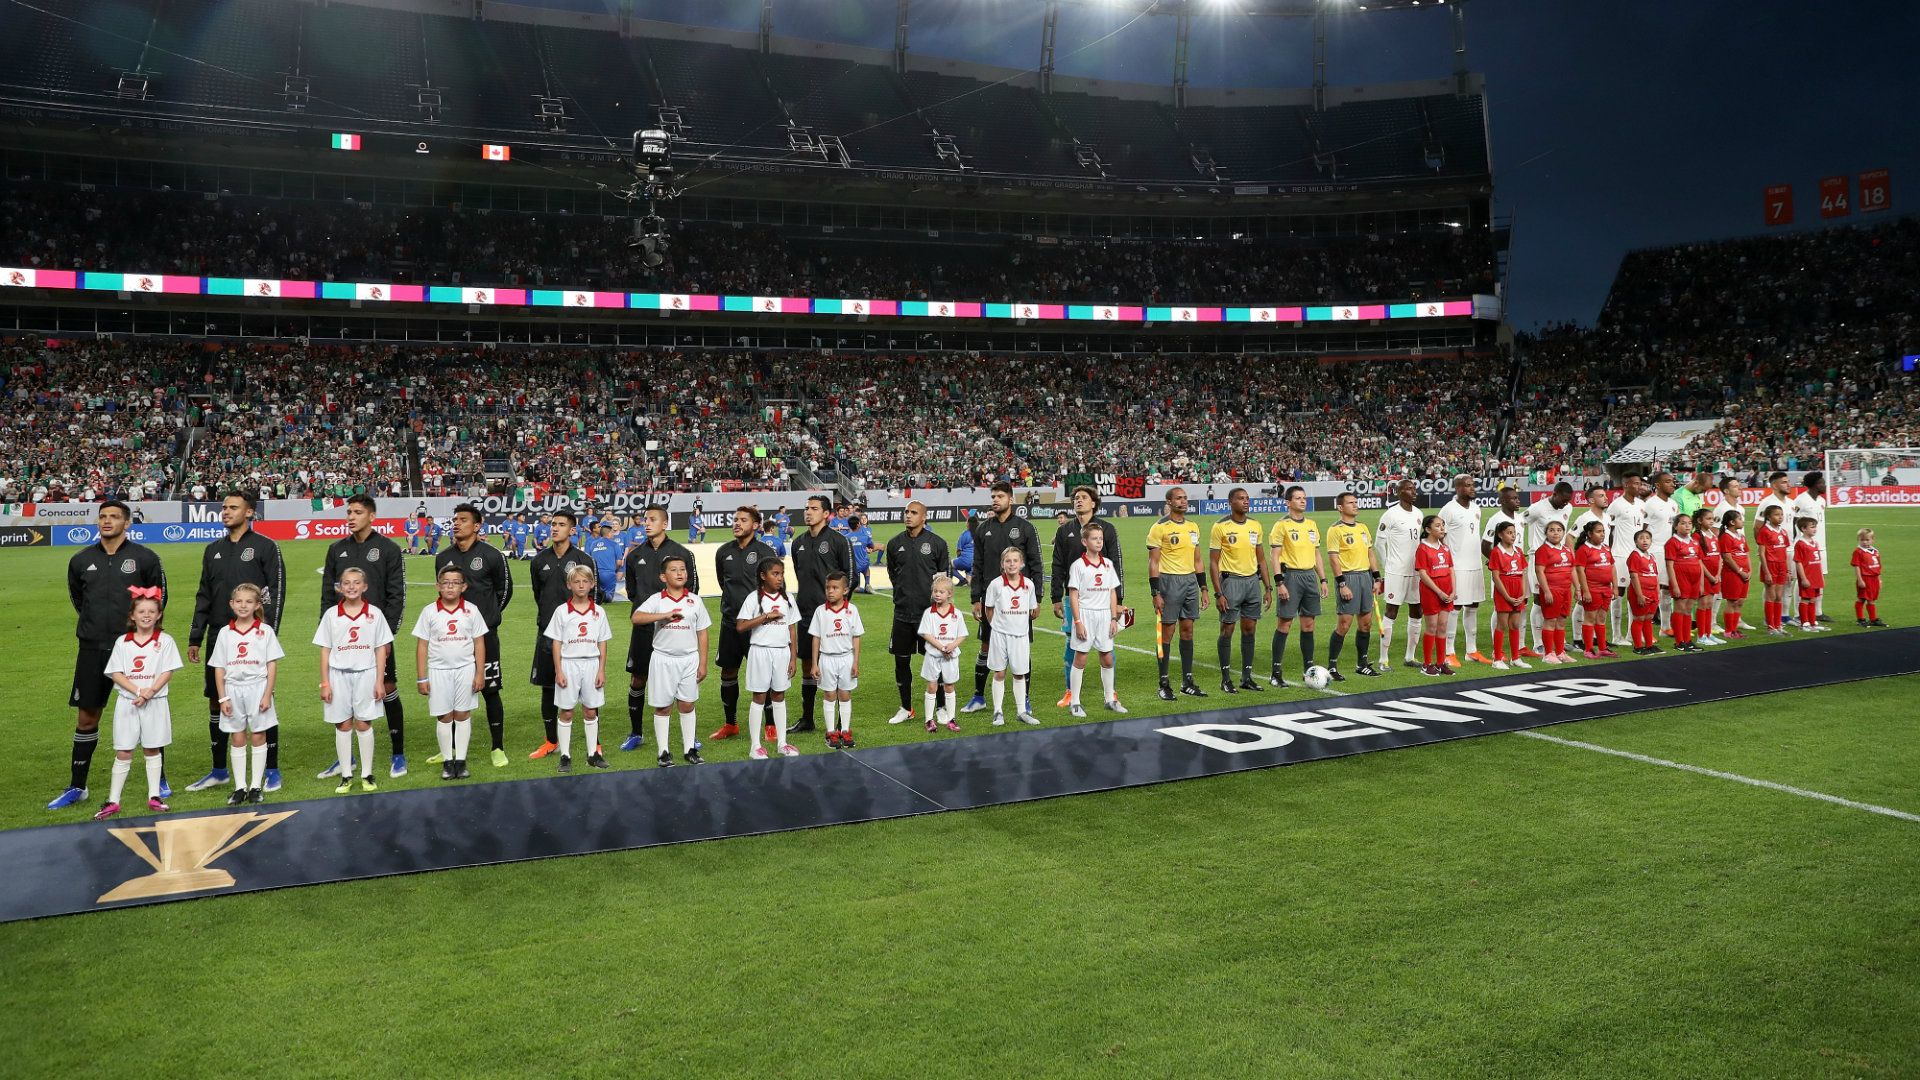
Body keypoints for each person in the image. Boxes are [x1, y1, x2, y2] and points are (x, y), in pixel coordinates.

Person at [50, 500, 169, 812]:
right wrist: (95, 624)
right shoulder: (80, 560)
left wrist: (141, 636)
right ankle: (78, 786)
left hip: (133, 649)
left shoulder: (145, 558)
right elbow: (79, 598)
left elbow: (159, 601)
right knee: (87, 716)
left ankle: (160, 782)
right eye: (102, 516)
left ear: (127, 523)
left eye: (114, 517)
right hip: (92, 647)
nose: (107, 521)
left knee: (145, 710)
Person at [177, 492, 286, 793]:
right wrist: (196, 635)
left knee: (263, 701)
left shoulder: (266, 547)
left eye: (233, 507)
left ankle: (272, 770)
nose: (225, 511)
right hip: (219, 636)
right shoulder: (213, 549)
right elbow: (204, 593)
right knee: (217, 699)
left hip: (255, 638)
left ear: (249, 512)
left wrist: (268, 634)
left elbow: (275, 592)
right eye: (224, 507)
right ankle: (219, 769)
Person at [317, 494, 408, 785]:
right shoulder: (336, 550)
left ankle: (398, 753)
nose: (351, 516)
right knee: (344, 696)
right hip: (343, 637)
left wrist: (386, 635)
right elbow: (327, 596)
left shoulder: (388, 549)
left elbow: (397, 596)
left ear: (372, 516)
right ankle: (348, 758)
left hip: (376, 634)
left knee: (387, 687)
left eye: (357, 512)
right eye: (349, 512)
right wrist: (328, 631)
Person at [431, 504, 513, 769]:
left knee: (490, 690)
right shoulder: (443, 557)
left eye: (463, 520)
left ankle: (497, 747)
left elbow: (505, 591)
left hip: (485, 636)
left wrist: (484, 619)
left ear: (477, 526)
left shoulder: (492, 555)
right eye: (455, 519)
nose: (457, 524)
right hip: (451, 639)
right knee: (450, 691)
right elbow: (444, 594)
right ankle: (449, 748)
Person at [93, 593, 182, 819]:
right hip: (128, 703)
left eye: (152, 612)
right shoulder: (122, 642)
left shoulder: (166, 641)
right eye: (141, 612)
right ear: (132, 615)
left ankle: (154, 796)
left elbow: (168, 671)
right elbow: (116, 672)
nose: (146, 616)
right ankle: (113, 800)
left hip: (156, 702)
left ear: (159, 614)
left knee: (152, 747)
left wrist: (150, 692)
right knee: (124, 750)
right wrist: (139, 691)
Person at [622, 506, 699, 751]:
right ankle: (636, 733)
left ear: (665, 524)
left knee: (678, 681)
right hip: (645, 629)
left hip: (674, 629)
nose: (647, 523)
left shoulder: (681, 553)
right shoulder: (634, 556)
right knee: (638, 678)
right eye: (645, 519)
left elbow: (692, 589)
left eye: (652, 519)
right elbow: (633, 591)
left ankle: (689, 737)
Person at [315, 567, 395, 792]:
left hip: (367, 674)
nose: (351, 587)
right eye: (346, 583)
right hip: (338, 675)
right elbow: (324, 650)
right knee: (342, 724)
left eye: (356, 582)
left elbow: (381, 649)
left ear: (365, 586)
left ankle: (367, 774)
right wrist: (325, 682)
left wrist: (380, 680)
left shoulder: (375, 614)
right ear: (339, 588)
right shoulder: (332, 615)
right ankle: (346, 775)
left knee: (363, 723)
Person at [526, 511, 598, 759]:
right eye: (553, 524)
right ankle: (551, 741)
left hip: (580, 635)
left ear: (573, 530)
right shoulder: (539, 561)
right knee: (548, 687)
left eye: (561, 525)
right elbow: (539, 594)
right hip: (548, 634)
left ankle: (595, 742)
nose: (555, 528)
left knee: (588, 691)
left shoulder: (583, 559)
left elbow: (592, 599)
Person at [206, 583, 283, 806]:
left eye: (249, 602)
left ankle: (256, 786)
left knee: (259, 735)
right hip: (232, 690)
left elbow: (272, 665)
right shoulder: (224, 633)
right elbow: (219, 668)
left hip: (258, 688)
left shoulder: (265, 632)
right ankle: (240, 787)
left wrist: (268, 694)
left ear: (257, 604)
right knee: (237, 736)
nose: (243, 605)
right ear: (231, 604)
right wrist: (222, 698)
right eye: (238, 601)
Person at [630, 554, 710, 766]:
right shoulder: (657, 600)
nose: (680, 573)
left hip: (689, 659)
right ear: (663, 577)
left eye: (683, 569)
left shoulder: (695, 601)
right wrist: (662, 616)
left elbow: (702, 632)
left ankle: (689, 749)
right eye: (674, 570)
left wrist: (703, 663)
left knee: (687, 704)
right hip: (663, 659)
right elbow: (636, 618)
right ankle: (663, 752)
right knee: (663, 706)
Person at [971, 482, 1044, 712]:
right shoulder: (983, 529)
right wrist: (976, 598)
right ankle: (979, 697)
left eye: (1000, 496)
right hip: (991, 601)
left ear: (1010, 499)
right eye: (993, 496)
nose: (995, 500)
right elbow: (977, 565)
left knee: (1022, 648)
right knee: (985, 646)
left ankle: (1026, 700)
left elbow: (1036, 565)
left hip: (1019, 602)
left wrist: (1037, 598)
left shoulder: (1025, 528)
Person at [708, 508, 779, 740]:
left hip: (757, 624)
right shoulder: (723, 552)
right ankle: (731, 724)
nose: (737, 523)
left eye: (743, 520)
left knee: (763, 674)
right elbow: (723, 582)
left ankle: (770, 725)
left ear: (756, 525)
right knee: (728, 671)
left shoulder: (766, 552)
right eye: (735, 520)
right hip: (730, 623)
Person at [411, 566, 487, 782]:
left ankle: (461, 761)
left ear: (464, 586)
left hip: (465, 669)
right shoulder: (429, 612)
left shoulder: (471, 610)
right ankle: (447, 761)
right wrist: (421, 676)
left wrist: (479, 673)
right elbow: (422, 646)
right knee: (444, 715)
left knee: (462, 714)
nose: (450, 586)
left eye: (455, 582)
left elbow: (479, 643)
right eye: (445, 582)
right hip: (438, 671)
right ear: (438, 586)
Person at [1050, 486, 1122, 706]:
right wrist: (1055, 597)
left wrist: (1118, 601)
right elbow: (1057, 565)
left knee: (1106, 647)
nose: (1078, 501)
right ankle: (1070, 691)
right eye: (1076, 498)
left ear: (1094, 503)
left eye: (1083, 498)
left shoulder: (1107, 529)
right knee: (1072, 644)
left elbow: (1116, 565)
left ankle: (1111, 693)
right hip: (1074, 599)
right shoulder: (1064, 531)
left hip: (1102, 599)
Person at [790, 495, 853, 735]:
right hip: (806, 613)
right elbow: (800, 574)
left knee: (835, 667)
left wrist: (840, 611)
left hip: (832, 616)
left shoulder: (838, 541)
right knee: (808, 665)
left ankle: (839, 722)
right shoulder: (798, 543)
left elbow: (850, 576)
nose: (808, 512)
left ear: (827, 514)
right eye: (806, 508)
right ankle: (807, 719)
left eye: (814, 508)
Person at [884, 501, 951, 726]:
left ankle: (941, 706)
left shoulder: (937, 544)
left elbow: (944, 581)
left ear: (924, 517)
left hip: (929, 616)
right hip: (902, 613)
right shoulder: (894, 544)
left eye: (913, 513)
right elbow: (893, 573)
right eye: (906, 512)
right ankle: (906, 707)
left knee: (936, 662)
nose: (908, 516)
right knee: (901, 662)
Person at [544, 564, 613, 773]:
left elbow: (602, 642)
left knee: (591, 710)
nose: (581, 585)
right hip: (568, 664)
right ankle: (565, 756)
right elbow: (556, 642)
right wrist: (558, 670)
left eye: (585, 581)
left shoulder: (599, 612)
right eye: (577, 581)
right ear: (569, 585)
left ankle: (593, 754)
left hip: (591, 664)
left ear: (592, 584)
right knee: (566, 711)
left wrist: (601, 669)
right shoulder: (561, 611)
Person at [1146, 486, 1210, 698]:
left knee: (1188, 630)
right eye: (1178, 498)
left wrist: (1203, 588)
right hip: (1169, 582)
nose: (1183, 501)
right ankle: (1163, 684)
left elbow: (1198, 559)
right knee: (1167, 633)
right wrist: (1155, 592)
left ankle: (1187, 681)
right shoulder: (1160, 527)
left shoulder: (1193, 527)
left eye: (1185, 498)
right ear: (1169, 502)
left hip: (1190, 581)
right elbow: (1153, 562)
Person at [735, 557, 801, 758]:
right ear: (763, 576)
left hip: (782, 652)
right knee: (759, 697)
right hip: (760, 651)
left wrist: (792, 658)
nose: (780, 578)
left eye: (781, 574)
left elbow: (792, 630)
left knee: (779, 695)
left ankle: (782, 743)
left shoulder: (788, 598)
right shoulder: (754, 598)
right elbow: (740, 626)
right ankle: (755, 746)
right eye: (775, 574)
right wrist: (765, 616)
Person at [1210, 487, 1270, 692]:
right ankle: (1226, 679)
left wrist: (1268, 587)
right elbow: (1213, 563)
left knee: (1250, 629)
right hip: (1231, 582)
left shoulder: (1255, 525)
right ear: (1230, 502)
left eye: (1247, 498)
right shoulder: (1220, 527)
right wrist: (1218, 593)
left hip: (1252, 582)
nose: (1246, 501)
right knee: (1227, 629)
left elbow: (1261, 558)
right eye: (1241, 498)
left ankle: (1246, 677)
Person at [1267, 485, 1327, 687]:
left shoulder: (1311, 524)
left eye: (1304, 497)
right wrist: (1279, 582)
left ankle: (1308, 671)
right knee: (1285, 624)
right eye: (1298, 498)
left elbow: (1317, 553)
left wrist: (1323, 579)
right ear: (1288, 502)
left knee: (1308, 624)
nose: (1303, 501)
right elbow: (1274, 555)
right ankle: (1276, 673)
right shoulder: (1281, 525)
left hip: (1309, 576)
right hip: (1290, 577)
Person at [1066, 525, 1129, 716]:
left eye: (1100, 538)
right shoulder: (1078, 565)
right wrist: (1077, 622)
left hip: (1104, 616)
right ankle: (1075, 702)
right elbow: (1073, 595)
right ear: (1085, 542)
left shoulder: (1108, 564)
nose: (1099, 541)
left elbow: (1112, 592)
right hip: (1085, 614)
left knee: (1107, 657)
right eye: (1094, 538)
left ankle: (1110, 698)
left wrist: (1113, 618)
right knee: (1081, 658)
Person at [983, 547, 1040, 726]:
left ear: (1021, 563)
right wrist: (997, 627)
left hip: (1020, 636)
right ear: (1002, 564)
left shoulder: (1029, 585)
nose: (1012, 564)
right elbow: (989, 609)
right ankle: (998, 711)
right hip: (1000, 635)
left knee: (1019, 674)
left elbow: (1032, 610)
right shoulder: (995, 584)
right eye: (1008, 561)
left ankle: (1021, 711)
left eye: (1015, 560)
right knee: (999, 672)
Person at [807, 572, 864, 747]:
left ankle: (845, 731)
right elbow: (816, 637)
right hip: (827, 659)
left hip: (846, 658)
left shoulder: (852, 610)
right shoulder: (820, 611)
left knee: (845, 694)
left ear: (845, 590)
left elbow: (856, 637)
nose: (830, 591)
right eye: (828, 588)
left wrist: (855, 662)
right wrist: (815, 663)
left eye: (835, 588)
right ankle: (831, 732)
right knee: (830, 694)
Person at [1375, 478, 1423, 672]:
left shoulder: (1419, 513)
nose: (1414, 492)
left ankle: (1410, 657)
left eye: (1414, 488)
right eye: (1409, 489)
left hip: (1417, 571)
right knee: (1391, 612)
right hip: (1396, 571)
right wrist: (1388, 567)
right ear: (1398, 492)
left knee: (1417, 610)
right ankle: (1383, 659)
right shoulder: (1390, 515)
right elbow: (1379, 544)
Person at [1523, 483, 1576, 657]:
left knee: (1560, 601)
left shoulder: (1569, 507)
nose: (1565, 503)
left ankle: (1557, 641)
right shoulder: (1537, 508)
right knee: (1540, 600)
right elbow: (1520, 523)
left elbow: (1565, 532)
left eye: (1568, 500)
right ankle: (1538, 643)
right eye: (1563, 499)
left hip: (1559, 559)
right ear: (1554, 494)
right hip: (1539, 558)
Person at [1437, 475, 1485, 665]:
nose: (1472, 488)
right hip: (1457, 567)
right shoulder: (1448, 510)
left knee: (1473, 606)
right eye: (1467, 485)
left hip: (1475, 564)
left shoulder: (1476, 508)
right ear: (1457, 487)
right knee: (1454, 607)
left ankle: (1471, 650)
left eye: (1473, 484)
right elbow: (1438, 535)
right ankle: (1449, 652)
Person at [918, 575, 968, 731]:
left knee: (949, 686)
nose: (937, 594)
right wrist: (941, 647)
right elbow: (925, 633)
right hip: (933, 656)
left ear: (950, 594)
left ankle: (951, 719)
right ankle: (929, 720)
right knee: (932, 686)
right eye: (935, 591)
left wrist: (952, 646)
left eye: (941, 592)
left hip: (950, 657)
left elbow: (962, 635)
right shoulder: (929, 613)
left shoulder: (957, 614)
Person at [1604, 477, 1648, 646]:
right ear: (1626, 484)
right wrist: (1608, 553)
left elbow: (1643, 530)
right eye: (1635, 483)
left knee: (1636, 594)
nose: (1638, 486)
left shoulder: (1641, 505)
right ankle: (1616, 635)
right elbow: (1608, 530)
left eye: (1640, 484)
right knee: (1618, 595)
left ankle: (1631, 633)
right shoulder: (1616, 504)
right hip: (1620, 555)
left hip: (1636, 556)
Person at [1414, 515, 1456, 676]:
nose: (1442, 528)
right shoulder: (1423, 548)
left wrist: (1453, 591)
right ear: (1427, 529)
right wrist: (1439, 592)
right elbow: (1423, 574)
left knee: (1443, 626)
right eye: (1438, 526)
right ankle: (1426, 664)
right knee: (1432, 626)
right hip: (1432, 591)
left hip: (1447, 591)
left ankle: (1440, 663)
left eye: (1443, 525)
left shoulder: (1445, 548)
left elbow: (1451, 569)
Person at [1487, 520, 1530, 670]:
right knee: (1502, 624)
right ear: (1500, 535)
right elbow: (1496, 577)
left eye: (1514, 533)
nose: (1513, 536)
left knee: (1515, 624)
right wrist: (1506, 596)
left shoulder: (1518, 551)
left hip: (1518, 591)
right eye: (1509, 533)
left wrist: (1523, 593)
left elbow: (1523, 573)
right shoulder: (1496, 552)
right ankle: (1497, 659)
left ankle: (1515, 658)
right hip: (1504, 591)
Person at [1572, 519, 1617, 659]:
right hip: (1592, 589)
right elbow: (1580, 571)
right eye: (1598, 532)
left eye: (1603, 531)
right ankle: (1588, 649)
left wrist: (1615, 587)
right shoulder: (1583, 550)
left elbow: (1612, 567)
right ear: (1590, 534)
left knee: (1602, 618)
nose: (1602, 534)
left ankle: (1602, 648)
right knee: (1590, 618)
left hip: (1606, 589)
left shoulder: (1606, 548)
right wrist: (1585, 590)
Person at [1533, 519, 1576, 665]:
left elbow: (1572, 570)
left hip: (1566, 590)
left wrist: (1577, 588)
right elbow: (1539, 571)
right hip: (1552, 589)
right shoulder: (1543, 550)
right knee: (1550, 621)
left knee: (1562, 621)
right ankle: (1548, 654)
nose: (1555, 533)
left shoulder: (1566, 550)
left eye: (1559, 530)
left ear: (1563, 532)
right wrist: (1546, 591)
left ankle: (1560, 652)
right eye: (1551, 530)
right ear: (1546, 533)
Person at [1663, 510, 1705, 652]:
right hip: (1681, 578)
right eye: (1683, 523)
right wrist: (1674, 584)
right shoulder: (1672, 542)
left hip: (1694, 579)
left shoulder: (1694, 541)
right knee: (1680, 608)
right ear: (1675, 526)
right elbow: (1669, 565)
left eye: (1689, 523)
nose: (1687, 526)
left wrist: (1701, 583)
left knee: (1688, 609)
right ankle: (1679, 641)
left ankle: (1687, 640)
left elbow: (1699, 562)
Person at [1791, 472, 1830, 623]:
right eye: (1821, 483)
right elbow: (1794, 522)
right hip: (1805, 546)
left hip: (1820, 545)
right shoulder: (1800, 500)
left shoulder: (1821, 500)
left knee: (1820, 578)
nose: (1824, 485)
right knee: (1802, 579)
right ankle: (1798, 613)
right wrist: (1797, 542)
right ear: (1814, 484)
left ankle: (1818, 612)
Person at [1756, 503, 1792, 634]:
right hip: (1771, 566)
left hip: (1782, 566)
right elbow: (1761, 553)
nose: (1780, 517)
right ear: (1769, 517)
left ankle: (1778, 625)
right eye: (1777, 515)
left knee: (1779, 596)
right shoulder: (1765, 531)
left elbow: (1785, 552)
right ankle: (1770, 627)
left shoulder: (1783, 532)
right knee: (1770, 596)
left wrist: (1788, 570)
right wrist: (1766, 572)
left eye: (1781, 514)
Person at [1625, 529, 1663, 654]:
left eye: (1647, 538)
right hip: (1641, 592)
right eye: (1641, 538)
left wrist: (1658, 593)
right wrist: (1639, 595)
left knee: (1648, 618)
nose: (1645, 540)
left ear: (1651, 541)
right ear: (1636, 542)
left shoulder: (1651, 556)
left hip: (1652, 592)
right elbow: (1634, 576)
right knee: (1639, 618)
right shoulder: (1635, 555)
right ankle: (1638, 647)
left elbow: (1655, 576)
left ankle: (1649, 645)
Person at [1691, 508, 1725, 645]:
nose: (1712, 521)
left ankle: (1709, 633)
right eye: (1708, 519)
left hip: (1714, 575)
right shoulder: (1697, 536)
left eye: (1712, 519)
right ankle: (1701, 636)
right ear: (1700, 521)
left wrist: (1717, 574)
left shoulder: (1713, 535)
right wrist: (1710, 575)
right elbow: (1698, 559)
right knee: (1703, 604)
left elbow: (1719, 556)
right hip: (1705, 576)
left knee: (1709, 604)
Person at [1716, 510, 1752, 639]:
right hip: (1733, 574)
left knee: (1740, 601)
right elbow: (1727, 557)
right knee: (1732, 602)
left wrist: (1750, 570)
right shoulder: (1726, 537)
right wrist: (1739, 571)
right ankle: (1728, 631)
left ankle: (1734, 629)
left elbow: (1746, 553)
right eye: (1740, 519)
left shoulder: (1740, 536)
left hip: (1744, 573)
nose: (1742, 521)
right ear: (1732, 522)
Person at [1792, 517, 1829, 632]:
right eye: (1812, 526)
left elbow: (1817, 562)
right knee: (1805, 599)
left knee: (1813, 599)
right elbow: (1798, 562)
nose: (1815, 529)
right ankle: (1804, 624)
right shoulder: (1800, 544)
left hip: (1816, 576)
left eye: (1815, 526)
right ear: (1803, 529)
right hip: (1807, 577)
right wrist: (1803, 578)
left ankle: (1813, 622)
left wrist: (1821, 576)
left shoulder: (1815, 542)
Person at [1852, 529, 1885, 627]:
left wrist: (1879, 579)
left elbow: (1878, 566)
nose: (1865, 542)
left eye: (1867, 540)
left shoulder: (1875, 551)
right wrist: (1860, 580)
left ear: (1872, 540)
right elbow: (1856, 566)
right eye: (1862, 540)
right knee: (1862, 598)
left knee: (1871, 599)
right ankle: (1860, 619)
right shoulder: (1858, 552)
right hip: (1865, 578)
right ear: (1859, 540)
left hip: (1874, 578)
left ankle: (1873, 619)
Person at [585, 522, 622, 603]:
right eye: (612, 532)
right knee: (609, 598)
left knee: (597, 594)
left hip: (595, 574)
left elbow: (589, 558)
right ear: (609, 534)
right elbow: (619, 563)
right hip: (609, 573)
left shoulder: (593, 544)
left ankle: (599, 594)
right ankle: (603, 595)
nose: (613, 534)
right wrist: (614, 570)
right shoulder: (614, 544)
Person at [848, 514, 876, 594]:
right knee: (866, 567)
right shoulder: (864, 536)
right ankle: (867, 583)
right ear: (858, 525)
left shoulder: (845, 538)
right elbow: (872, 546)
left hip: (853, 566)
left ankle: (863, 590)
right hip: (864, 563)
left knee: (855, 588)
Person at [951, 521, 975, 585]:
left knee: (947, 564)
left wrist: (960, 560)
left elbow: (959, 550)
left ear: (968, 524)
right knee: (969, 583)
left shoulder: (965, 534)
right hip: (976, 562)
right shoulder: (979, 533)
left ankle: (962, 579)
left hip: (965, 560)